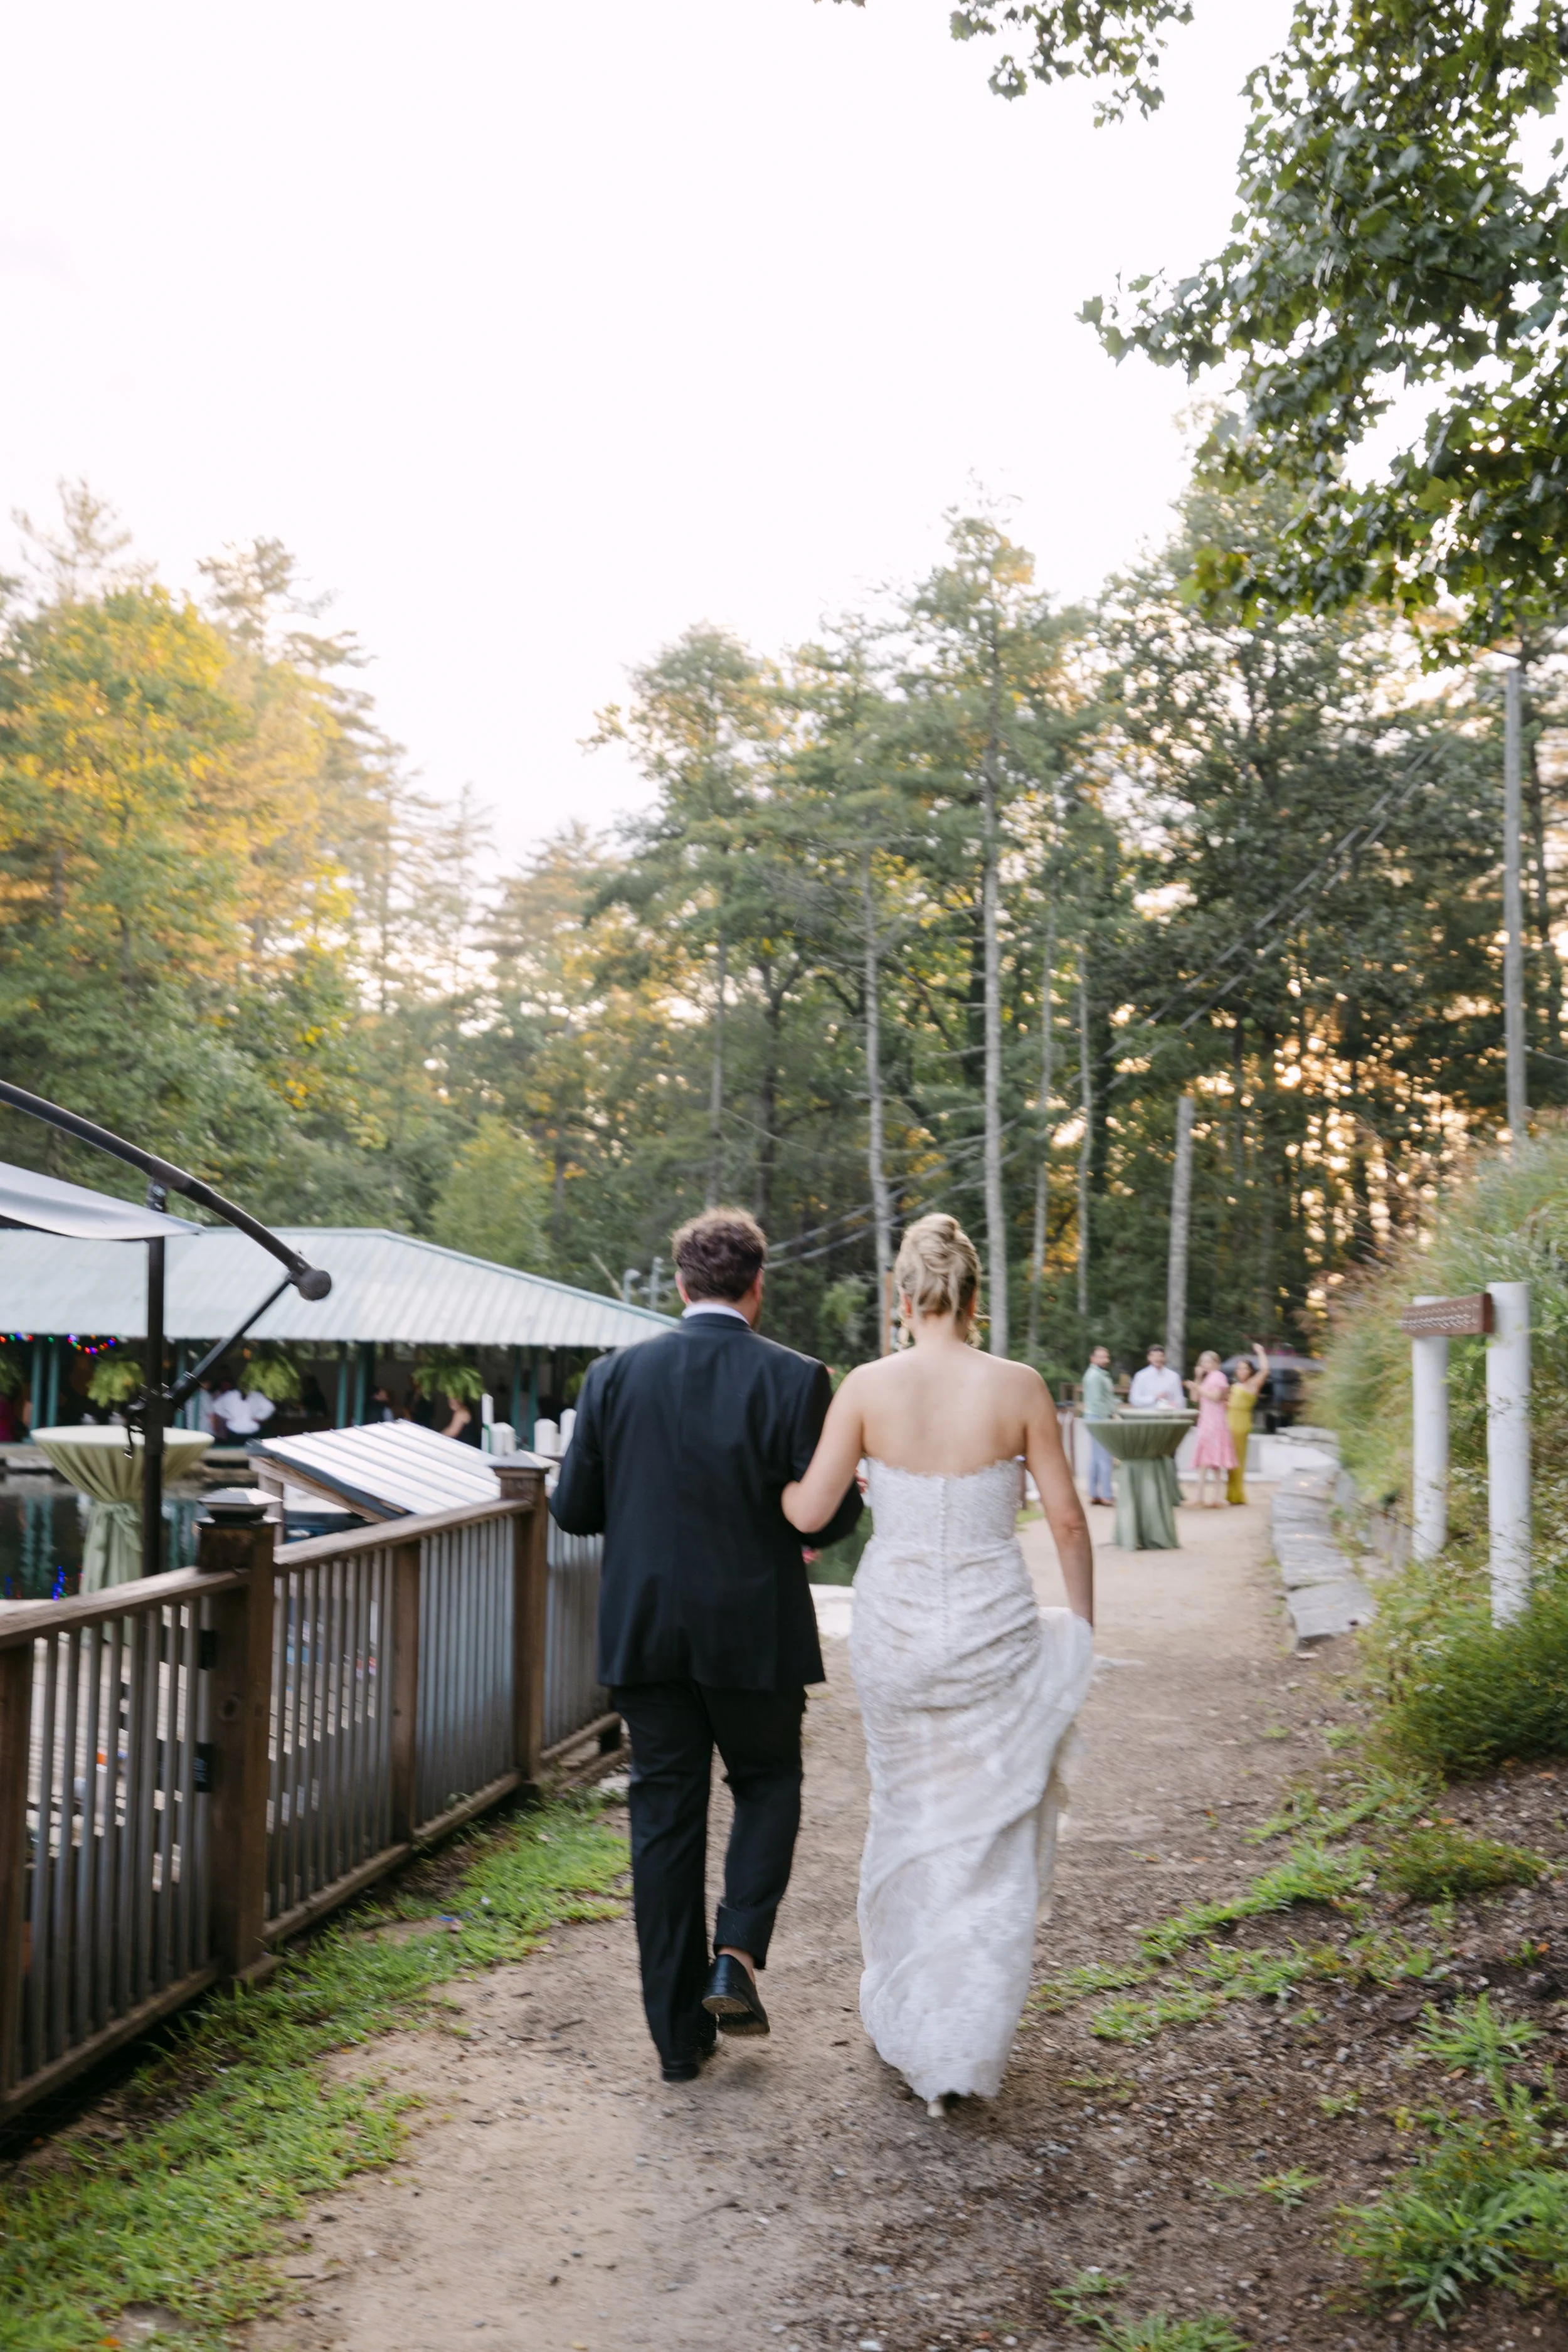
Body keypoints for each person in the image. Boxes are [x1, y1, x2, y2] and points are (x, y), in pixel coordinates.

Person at [783, 1212, 1093, 2119]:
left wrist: (757, 1481)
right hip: (995, 1623)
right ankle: (966, 2030)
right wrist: (1078, 1626)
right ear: (971, 1295)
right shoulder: (1022, 1387)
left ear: (903, 1296)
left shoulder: (869, 1388)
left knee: (910, 1807)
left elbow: (809, 1512)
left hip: (898, 1630)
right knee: (987, 1824)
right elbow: (1069, 1520)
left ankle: (920, 2013)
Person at [550, 1207, 861, 2085]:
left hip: (646, 1632)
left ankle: (677, 2042)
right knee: (767, 1782)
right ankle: (736, 1954)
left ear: (681, 1284)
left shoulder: (613, 1377)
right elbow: (833, 1512)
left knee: (664, 1824)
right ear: (758, 1287)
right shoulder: (799, 1379)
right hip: (756, 1632)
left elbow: (573, 1508)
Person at [1187, 1348, 1236, 1508]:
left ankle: (1216, 1497)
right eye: (1203, 1362)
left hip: (1215, 1421)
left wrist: (1197, 1386)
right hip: (1206, 1420)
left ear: (1216, 1363)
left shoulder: (1219, 1377)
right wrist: (1197, 1379)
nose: (1205, 1365)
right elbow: (1194, 1398)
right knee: (1204, 1459)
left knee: (1215, 1460)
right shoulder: (1206, 1379)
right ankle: (1201, 1496)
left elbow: (1215, 1397)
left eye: (1208, 1362)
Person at [1225, 1343, 1268, 1504]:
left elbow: (1265, 1371)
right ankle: (1230, 1493)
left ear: (1250, 1371)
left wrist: (1261, 1352)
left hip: (1241, 1423)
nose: (1241, 1371)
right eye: (1239, 1368)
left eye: (1245, 1368)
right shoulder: (1234, 1386)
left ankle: (1238, 1494)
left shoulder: (1252, 1384)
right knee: (1229, 1459)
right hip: (1229, 1421)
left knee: (1238, 1459)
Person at [1080, 1343, 1116, 1506]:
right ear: (1093, 1358)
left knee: (1096, 1457)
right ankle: (1106, 1494)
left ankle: (1094, 1493)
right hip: (1098, 1417)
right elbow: (1096, 1402)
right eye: (1102, 1356)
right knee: (1105, 1457)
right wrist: (1109, 1418)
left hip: (1095, 1416)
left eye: (1106, 1356)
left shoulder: (1099, 1375)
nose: (1106, 1359)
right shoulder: (1094, 1376)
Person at [209, 1379, 276, 1444]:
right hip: (251, 1430)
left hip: (234, 1429)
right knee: (251, 1453)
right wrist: (259, 1417)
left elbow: (215, 1406)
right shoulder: (256, 1395)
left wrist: (227, 1416)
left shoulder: (230, 1395)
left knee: (234, 1452)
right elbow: (270, 1407)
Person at [1128, 1344, 1185, 1410]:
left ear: (1165, 1358)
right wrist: (1154, 1398)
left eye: (1160, 1356)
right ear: (1149, 1358)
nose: (1157, 1359)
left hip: (1168, 1415)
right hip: (1147, 1415)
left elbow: (1179, 1400)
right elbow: (1134, 1400)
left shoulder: (1174, 1376)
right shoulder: (1141, 1376)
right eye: (1154, 1356)